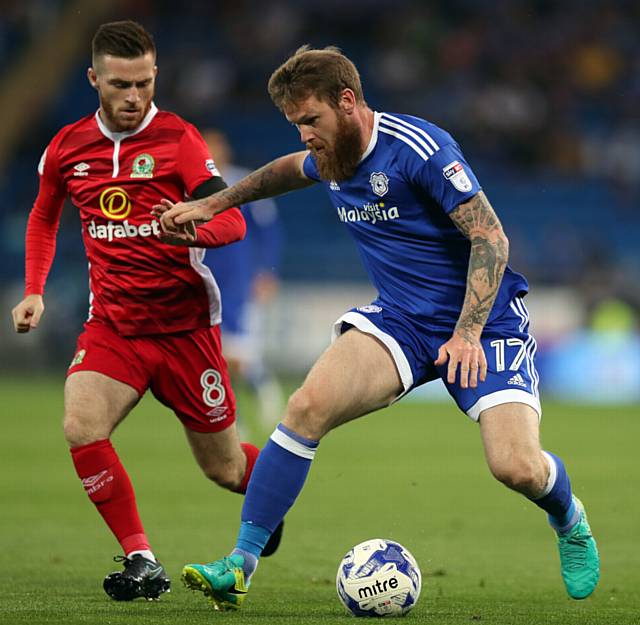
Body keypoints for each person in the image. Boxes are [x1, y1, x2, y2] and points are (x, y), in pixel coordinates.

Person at [155, 45, 600, 609]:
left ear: (348, 102)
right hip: (400, 322)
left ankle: (569, 516)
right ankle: (240, 564)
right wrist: (215, 204)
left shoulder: (419, 149)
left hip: (483, 325)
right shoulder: (330, 154)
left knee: (515, 466)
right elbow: (285, 173)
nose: (305, 137)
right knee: (305, 408)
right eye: (295, 124)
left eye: (310, 121)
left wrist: (466, 333)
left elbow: (492, 238)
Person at [10, 20, 282, 603]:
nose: (134, 97)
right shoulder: (66, 147)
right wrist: (34, 287)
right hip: (113, 327)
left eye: (144, 83)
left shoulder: (180, 139)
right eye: (120, 85)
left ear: (155, 75)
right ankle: (142, 560)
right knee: (81, 426)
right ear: (94, 79)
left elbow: (233, 219)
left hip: (186, 332)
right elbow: (42, 216)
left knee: (227, 469)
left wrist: (196, 220)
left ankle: (273, 494)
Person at [201, 130, 284, 428]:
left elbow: (269, 230)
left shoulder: (243, 183)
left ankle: (264, 393)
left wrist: (266, 271)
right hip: (203, 281)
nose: (211, 152)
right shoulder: (190, 188)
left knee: (237, 354)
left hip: (237, 280)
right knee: (212, 356)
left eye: (215, 146)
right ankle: (233, 419)